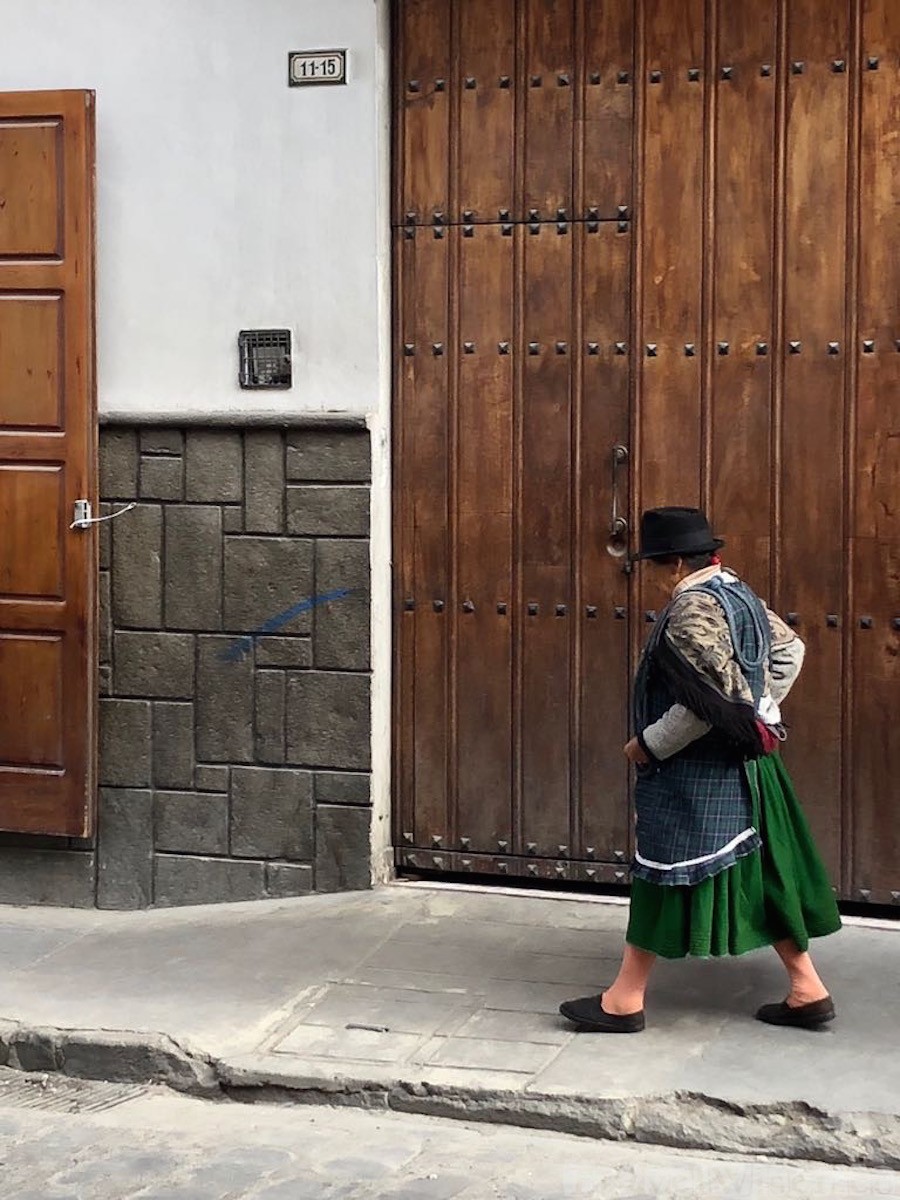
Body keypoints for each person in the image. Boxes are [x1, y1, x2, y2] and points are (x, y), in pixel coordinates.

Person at [560, 506, 842, 1034]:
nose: (647, 576)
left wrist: (649, 744)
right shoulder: (737, 591)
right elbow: (791, 650)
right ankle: (806, 986)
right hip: (751, 768)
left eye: (650, 565)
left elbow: (704, 703)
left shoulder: (691, 610)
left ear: (671, 566)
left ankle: (624, 1000)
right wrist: (760, 707)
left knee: (661, 871)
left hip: (698, 770)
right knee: (762, 871)